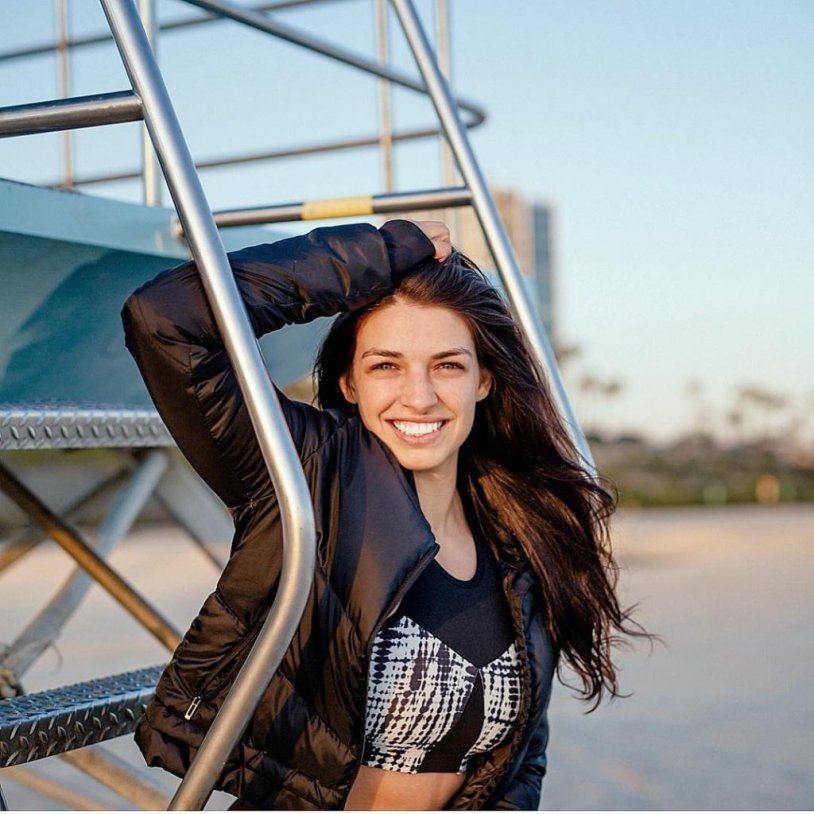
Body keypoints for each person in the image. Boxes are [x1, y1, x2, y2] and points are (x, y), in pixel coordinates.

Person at [122, 219, 642, 810]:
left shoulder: (517, 527)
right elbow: (167, 316)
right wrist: (384, 253)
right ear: (348, 382)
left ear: (483, 379)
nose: (419, 396)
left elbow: (522, 754)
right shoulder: (307, 473)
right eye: (386, 366)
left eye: (447, 365)